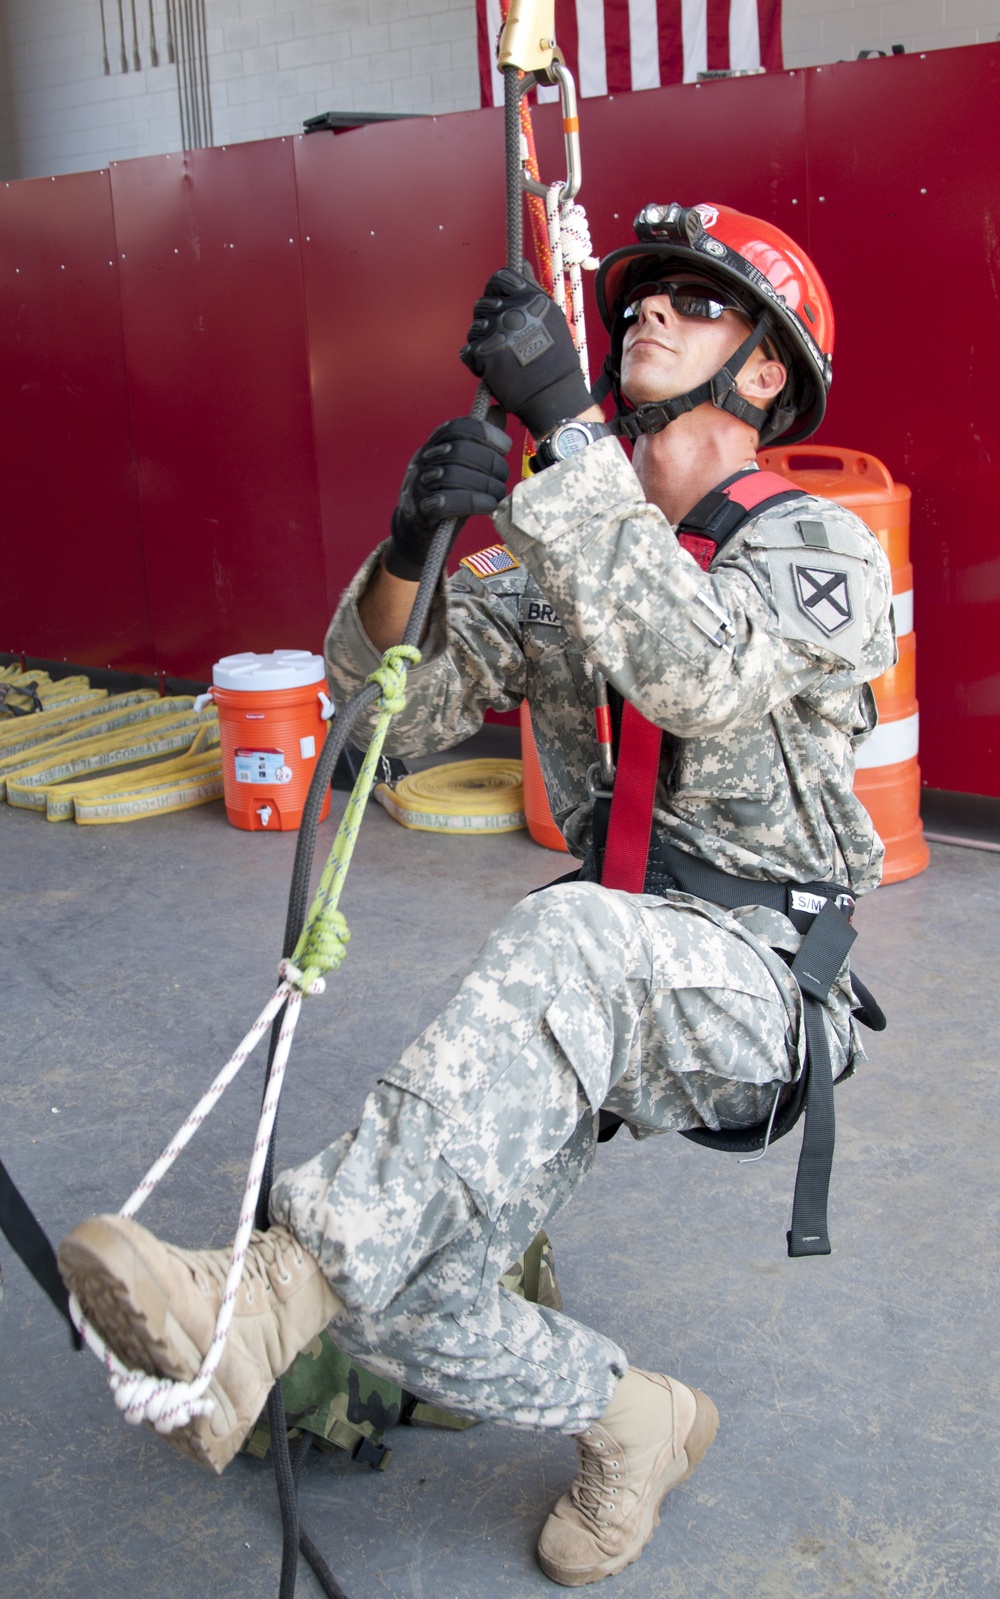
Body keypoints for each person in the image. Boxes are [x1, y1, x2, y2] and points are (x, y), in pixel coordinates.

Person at [59, 202, 894, 1588]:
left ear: (763, 373)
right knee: (402, 1275)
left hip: (756, 975)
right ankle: (639, 1422)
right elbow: (384, 702)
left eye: (692, 302)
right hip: (612, 974)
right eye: (640, 297)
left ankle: (263, 1293)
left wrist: (565, 427)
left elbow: (694, 673)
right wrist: (406, 558)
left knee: (565, 930)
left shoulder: (821, 554)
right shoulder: (571, 554)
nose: (644, 314)